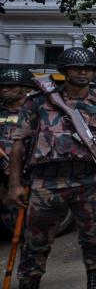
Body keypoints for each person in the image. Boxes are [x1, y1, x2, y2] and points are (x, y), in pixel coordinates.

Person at [9, 47, 96, 289]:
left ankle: (94, 283)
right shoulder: (38, 102)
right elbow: (19, 144)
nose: (82, 72)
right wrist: (15, 184)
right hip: (46, 183)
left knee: (94, 239)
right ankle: (30, 282)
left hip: (90, 181)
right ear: (64, 71)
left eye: (88, 68)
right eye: (76, 68)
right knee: (35, 242)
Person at [0, 68, 34, 232]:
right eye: (3, 86)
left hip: (26, 177)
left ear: (26, 88)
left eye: (12, 86)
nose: (5, 90)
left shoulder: (37, 113)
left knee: (23, 226)